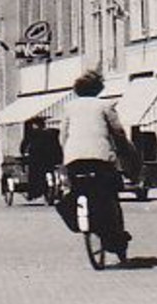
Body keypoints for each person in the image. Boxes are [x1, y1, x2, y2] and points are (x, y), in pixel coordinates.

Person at [57, 69, 132, 256]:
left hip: (74, 159)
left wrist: (67, 153)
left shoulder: (69, 107)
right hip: (100, 158)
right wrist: (124, 149)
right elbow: (118, 132)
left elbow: (63, 135)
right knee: (109, 194)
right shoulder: (105, 105)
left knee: (77, 190)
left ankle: (87, 223)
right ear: (98, 89)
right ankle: (114, 235)